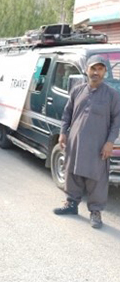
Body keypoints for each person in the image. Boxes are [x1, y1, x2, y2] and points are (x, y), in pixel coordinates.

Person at [54, 55, 120, 229]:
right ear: (87, 70)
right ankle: (71, 204)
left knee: (96, 178)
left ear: (105, 72)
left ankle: (96, 212)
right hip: (75, 142)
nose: (96, 72)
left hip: (98, 144)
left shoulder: (112, 95)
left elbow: (116, 121)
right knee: (72, 172)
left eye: (100, 69)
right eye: (93, 68)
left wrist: (109, 142)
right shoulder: (77, 90)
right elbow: (67, 113)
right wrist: (63, 132)